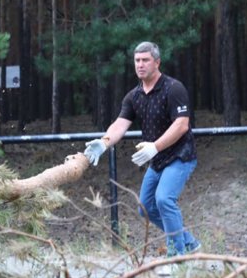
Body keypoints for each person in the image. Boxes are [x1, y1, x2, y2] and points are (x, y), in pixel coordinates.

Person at [84, 41, 200, 256]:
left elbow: (181, 125)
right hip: (157, 161)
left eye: (145, 60)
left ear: (157, 62)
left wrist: (155, 147)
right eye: (137, 60)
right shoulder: (134, 96)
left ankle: (177, 256)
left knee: (164, 199)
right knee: (145, 208)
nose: (140, 64)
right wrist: (104, 142)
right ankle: (189, 243)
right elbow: (120, 124)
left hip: (180, 156)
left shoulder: (173, 88)